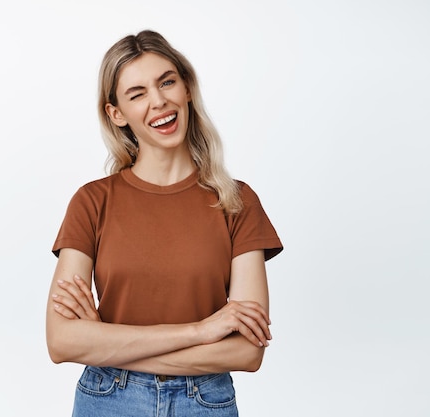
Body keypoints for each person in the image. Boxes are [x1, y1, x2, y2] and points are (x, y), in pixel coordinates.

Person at [46, 29, 283, 417]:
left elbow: (246, 350)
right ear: (116, 113)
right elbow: (62, 342)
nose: (159, 101)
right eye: (137, 94)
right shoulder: (92, 202)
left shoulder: (237, 202)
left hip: (205, 401)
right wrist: (200, 330)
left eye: (167, 82)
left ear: (187, 88)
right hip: (107, 400)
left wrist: (107, 344)